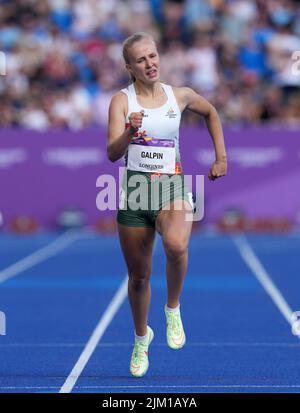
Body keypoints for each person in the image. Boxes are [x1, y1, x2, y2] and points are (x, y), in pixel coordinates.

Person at [107, 32, 227, 377]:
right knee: (139, 277)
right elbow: (113, 154)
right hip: (134, 193)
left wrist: (221, 158)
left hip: (171, 186)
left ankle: (172, 308)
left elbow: (212, 113)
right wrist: (130, 131)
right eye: (141, 60)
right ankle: (141, 338)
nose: (150, 63)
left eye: (153, 56)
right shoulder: (121, 101)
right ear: (129, 67)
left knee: (176, 245)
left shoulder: (180, 96)